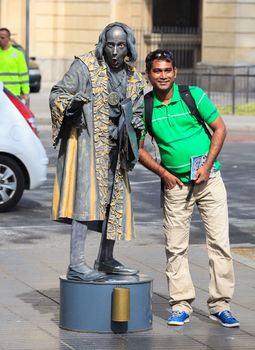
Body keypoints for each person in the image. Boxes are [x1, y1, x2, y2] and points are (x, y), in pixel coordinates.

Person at [139, 49, 240, 328]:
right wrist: (164, 173)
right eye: (157, 71)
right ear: (148, 74)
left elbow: (220, 128)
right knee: (175, 247)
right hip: (176, 186)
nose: (163, 75)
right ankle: (181, 304)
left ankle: (221, 305)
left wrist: (207, 166)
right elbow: (137, 150)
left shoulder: (193, 95)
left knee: (219, 244)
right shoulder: (144, 106)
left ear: (175, 72)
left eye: (167, 70)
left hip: (210, 181)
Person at [49, 22, 144, 282]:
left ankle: (105, 258)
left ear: (128, 47)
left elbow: (137, 113)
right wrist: (72, 104)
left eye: (120, 45)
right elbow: (57, 93)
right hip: (89, 146)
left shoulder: (134, 77)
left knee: (114, 204)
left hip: (117, 149)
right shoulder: (85, 66)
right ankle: (76, 263)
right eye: (110, 44)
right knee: (85, 201)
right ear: (103, 44)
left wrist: (136, 125)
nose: (114, 50)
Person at [0, 27, 30, 103]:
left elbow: (23, 75)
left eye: (2, 38)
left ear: (9, 39)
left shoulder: (18, 54)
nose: (0, 39)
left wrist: (25, 92)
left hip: (13, 93)